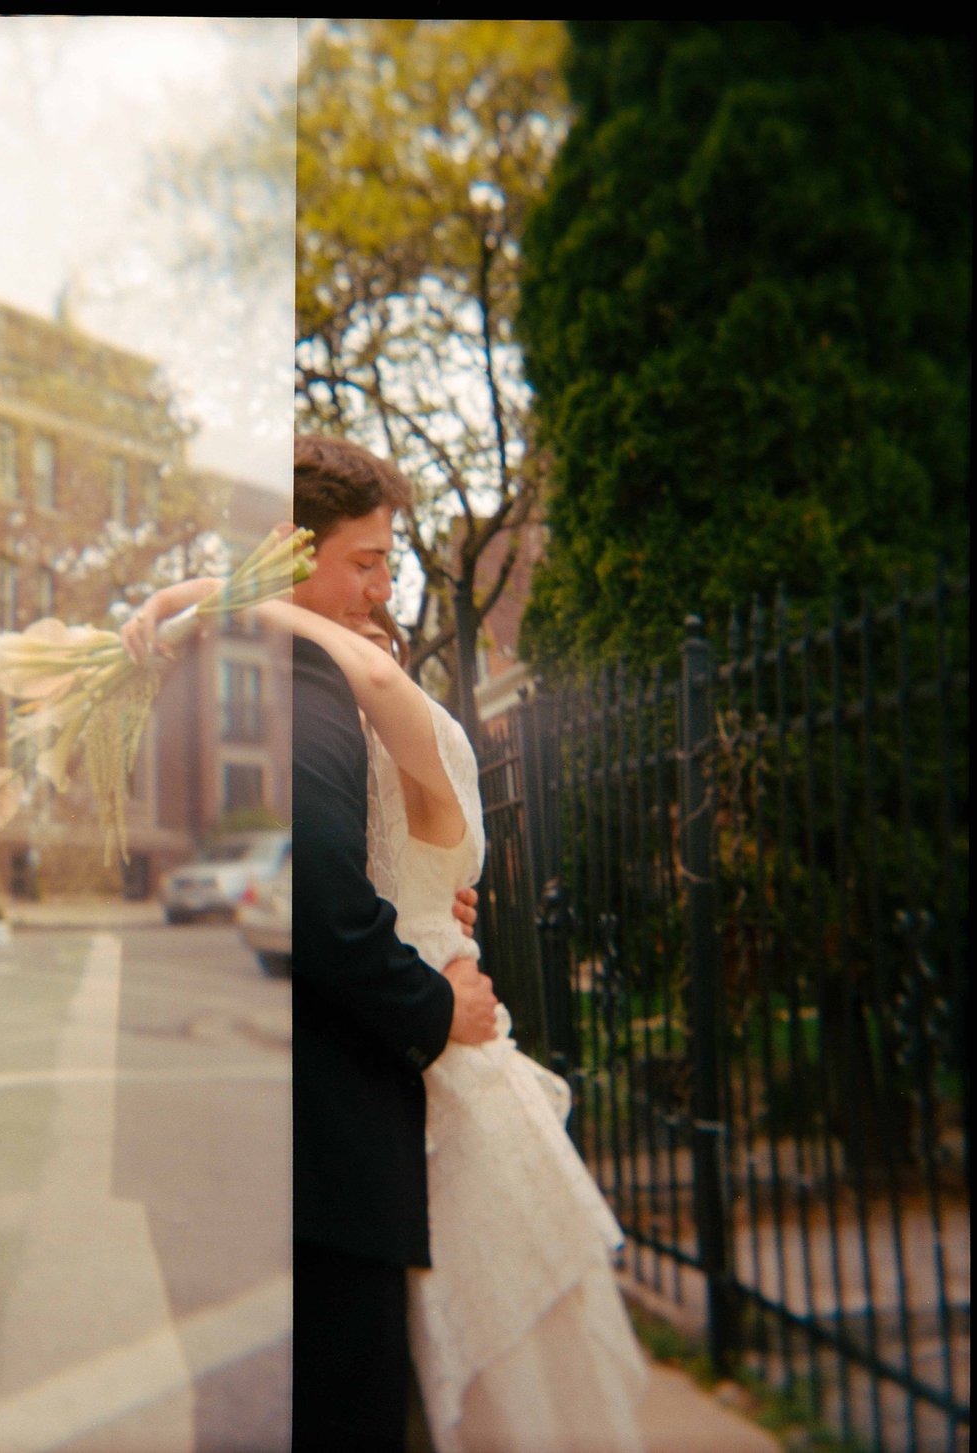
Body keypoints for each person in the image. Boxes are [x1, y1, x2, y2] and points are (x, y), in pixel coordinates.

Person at [250, 460, 647, 1452]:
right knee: (417, 1354)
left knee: (444, 1350)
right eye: (364, 565)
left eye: (387, 570)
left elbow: (340, 887)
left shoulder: (373, 693)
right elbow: (331, 896)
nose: (382, 592)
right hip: (410, 1031)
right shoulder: (328, 694)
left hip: (430, 1035)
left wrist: (224, 603)